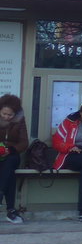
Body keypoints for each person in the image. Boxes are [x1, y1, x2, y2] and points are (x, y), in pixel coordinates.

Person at [0, 94, 29, 224]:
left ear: (15, 113)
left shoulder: (20, 121)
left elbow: (24, 142)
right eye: (4, 114)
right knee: (9, 173)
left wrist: (10, 150)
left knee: (10, 163)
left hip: (12, 154)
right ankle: (11, 210)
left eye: (9, 115)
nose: (6, 117)